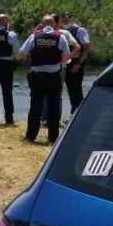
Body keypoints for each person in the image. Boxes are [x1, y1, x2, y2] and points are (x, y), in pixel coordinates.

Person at [18, 15, 71, 143]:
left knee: (35, 106)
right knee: (53, 107)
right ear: (54, 24)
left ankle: (30, 137)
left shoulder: (34, 36)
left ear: (41, 24)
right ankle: (53, 139)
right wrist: (59, 64)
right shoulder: (60, 36)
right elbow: (67, 55)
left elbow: (21, 54)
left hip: (36, 76)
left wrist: (30, 59)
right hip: (54, 76)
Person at [58, 12, 91, 115]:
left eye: (66, 16)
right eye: (62, 17)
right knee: (70, 90)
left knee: (76, 90)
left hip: (76, 64)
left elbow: (86, 48)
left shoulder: (80, 30)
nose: (64, 18)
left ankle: (79, 114)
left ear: (71, 18)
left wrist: (79, 64)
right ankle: (74, 114)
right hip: (64, 65)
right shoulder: (61, 31)